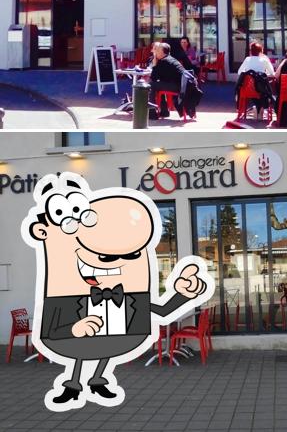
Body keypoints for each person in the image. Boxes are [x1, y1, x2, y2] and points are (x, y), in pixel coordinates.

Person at [21, 172, 211, 409]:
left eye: (131, 255)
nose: (113, 263)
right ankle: (73, 385)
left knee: (104, 348)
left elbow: (162, 311)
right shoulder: (64, 297)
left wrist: (183, 294)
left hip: (118, 340)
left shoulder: (131, 296)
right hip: (76, 342)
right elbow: (52, 330)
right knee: (82, 350)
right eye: (103, 256)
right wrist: (74, 327)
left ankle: (98, 379)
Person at [150, 42, 186, 117]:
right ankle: (164, 111)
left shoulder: (163, 61)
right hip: (182, 86)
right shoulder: (170, 58)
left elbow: (153, 78)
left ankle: (152, 113)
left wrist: (154, 65)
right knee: (158, 85)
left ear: (162, 52)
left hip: (177, 86)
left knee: (151, 85)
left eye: (158, 50)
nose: (156, 52)